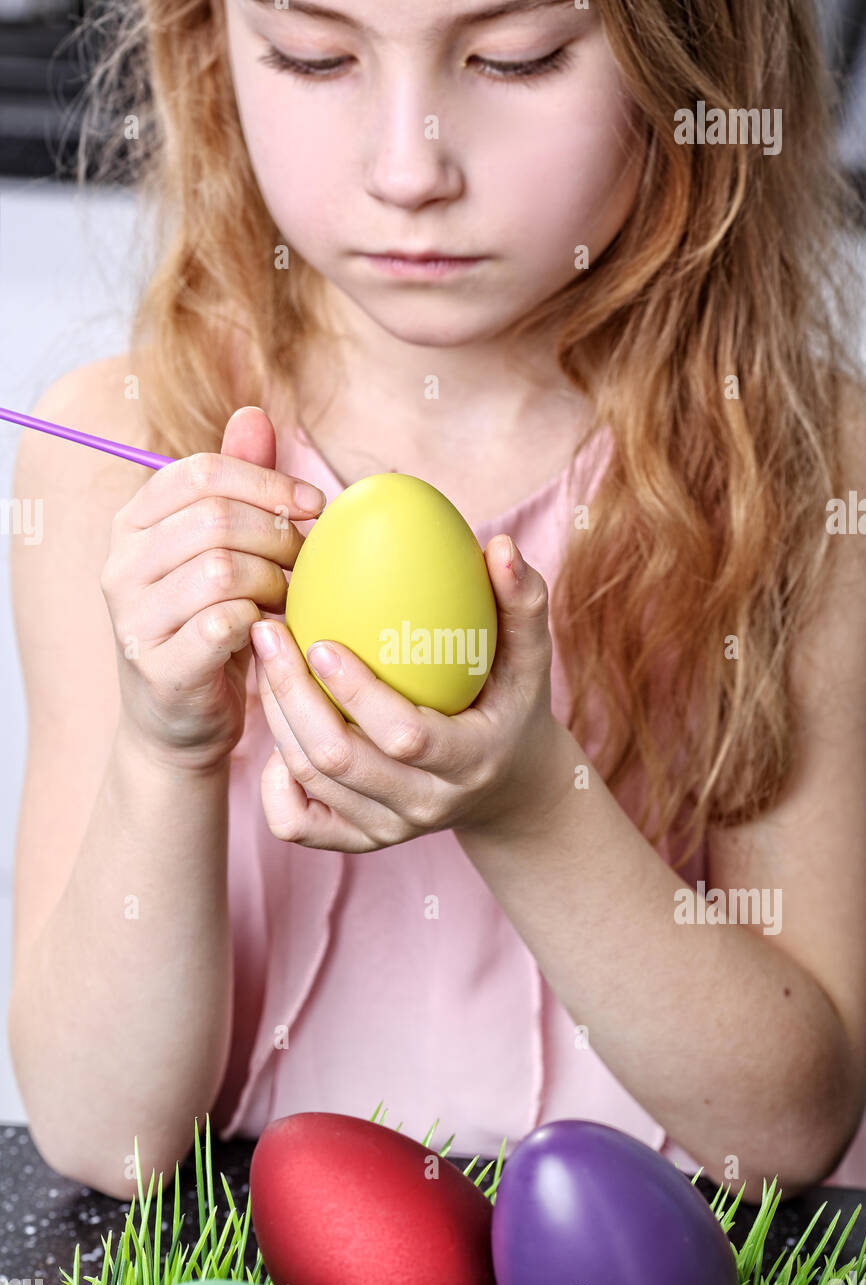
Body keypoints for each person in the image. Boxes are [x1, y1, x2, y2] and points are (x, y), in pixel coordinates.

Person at [8, 0, 866, 1204]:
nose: (407, 169)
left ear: (694, 61)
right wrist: (166, 752)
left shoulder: (802, 469)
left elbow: (788, 1130)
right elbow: (106, 1139)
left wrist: (526, 805)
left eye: (516, 59)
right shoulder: (115, 454)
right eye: (313, 56)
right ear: (211, 50)